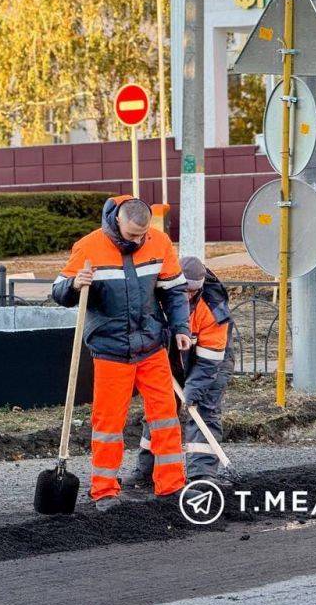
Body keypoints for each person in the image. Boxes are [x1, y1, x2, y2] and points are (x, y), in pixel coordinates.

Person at [52, 195, 193, 512]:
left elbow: (173, 291)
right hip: (111, 349)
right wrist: (75, 284)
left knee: (165, 417)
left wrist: (182, 328)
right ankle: (104, 491)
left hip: (151, 346)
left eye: (143, 235)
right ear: (117, 220)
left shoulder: (159, 242)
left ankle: (171, 485)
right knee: (108, 424)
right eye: (132, 235)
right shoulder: (89, 247)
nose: (139, 240)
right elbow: (58, 292)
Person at [126, 256, 235, 486]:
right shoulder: (157, 296)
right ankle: (148, 470)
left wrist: (192, 391)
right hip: (169, 356)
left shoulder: (212, 310)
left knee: (204, 408)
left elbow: (208, 363)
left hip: (210, 361)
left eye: (192, 292)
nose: (186, 297)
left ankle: (202, 474)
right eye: (183, 290)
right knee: (160, 408)